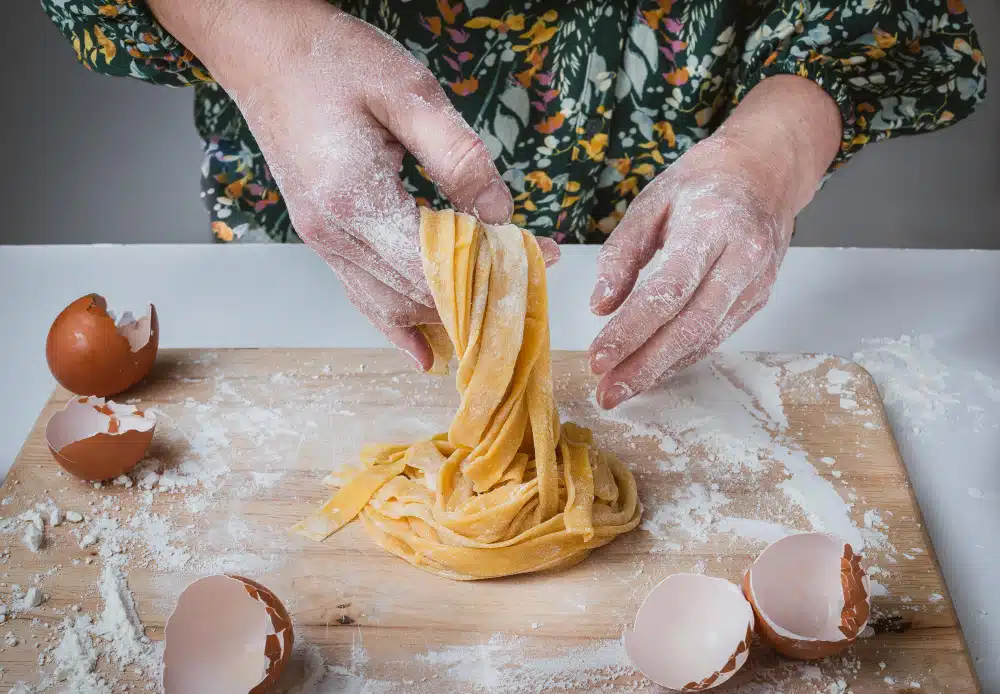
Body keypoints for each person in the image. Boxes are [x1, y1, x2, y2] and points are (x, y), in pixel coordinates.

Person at [42, 0, 986, 408]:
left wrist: (765, 158)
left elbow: (884, 15)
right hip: (320, 218)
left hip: (660, 219)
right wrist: (253, 32)